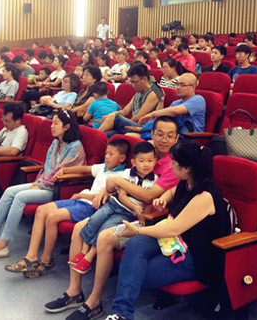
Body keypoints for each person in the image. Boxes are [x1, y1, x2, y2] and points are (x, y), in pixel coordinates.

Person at [44, 117, 181, 317]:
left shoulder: (173, 165)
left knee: (105, 237)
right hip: (121, 207)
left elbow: (148, 196)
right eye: (159, 134)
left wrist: (118, 181)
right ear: (152, 134)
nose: (164, 139)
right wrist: (109, 188)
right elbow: (120, 181)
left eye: (170, 136)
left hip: (147, 218)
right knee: (79, 228)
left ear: (176, 138)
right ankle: (74, 291)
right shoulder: (145, 153)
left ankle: (94, 302)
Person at [103, 140, 232, 320]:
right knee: (136, 245)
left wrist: (138, 230)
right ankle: (121, 313)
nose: (170, 166)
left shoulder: (205, 196)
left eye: (174, 163)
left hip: (195, 255)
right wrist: (163, 198)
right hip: (175, 241)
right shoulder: (187, 182)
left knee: (140, 273)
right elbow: (172, 192)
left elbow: (172, 229)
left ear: (187, 169)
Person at [0, 109, 84, 258]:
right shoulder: (56, 142)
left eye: (56, 123)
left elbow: (61, 174)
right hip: (44, 184)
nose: (51, 126)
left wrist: (40, 185)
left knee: (20, 197)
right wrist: (39, 182)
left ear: (67, 127)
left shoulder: (75, 147)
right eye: (52, 122)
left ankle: (3, 244)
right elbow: (47, 167)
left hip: (59, 189)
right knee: (9, 191)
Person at [6, 138, 129, 279]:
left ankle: (46, 260)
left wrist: (81, 195)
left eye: (111, 154)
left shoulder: (122, 176)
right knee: (41, 210)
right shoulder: (103, 167)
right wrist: (64, 170)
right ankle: (31, 257)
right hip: (80, 200)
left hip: (90, 206)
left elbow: (104, 199)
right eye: (106, 153)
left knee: (52, 217)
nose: (107, 156)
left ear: (122, 158)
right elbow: (85, 169)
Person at [69, 142, 157, 276]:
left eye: (150, 161)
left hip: (126, 213)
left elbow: (148, 201)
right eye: (142, 161)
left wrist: (143, 215)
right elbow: (122, 195)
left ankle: (88, 257)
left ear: (155, 161)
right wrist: (135, 206)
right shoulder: (127, 173)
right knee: (94, 220)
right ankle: (83, 252)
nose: (146, 164)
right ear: (133, 162)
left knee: (105, 228)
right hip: (113, 203)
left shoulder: (154, 180)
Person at [98, 63, 160, 136]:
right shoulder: (138, 92)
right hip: (132, 124)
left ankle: (95, 135)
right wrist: (111, 115)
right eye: (131, 82)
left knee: (116, 119)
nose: (132, 85)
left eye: (134, 82)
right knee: (108, 134)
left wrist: (120, 122)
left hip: (142, 128)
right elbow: (125, 111)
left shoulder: (153, 93)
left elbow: (138, 117)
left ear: (144, 79)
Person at [138, 72, 205, 137]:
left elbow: (176, 111)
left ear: (193, 87)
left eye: (182, 85)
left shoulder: (198, 100)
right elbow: (161, 117)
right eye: (177, 84)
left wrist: (152, 114)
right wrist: (161, 101)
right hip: (170, 135)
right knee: (134, 136)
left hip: (188, 138)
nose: (178, 87)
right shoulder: (176, 103)